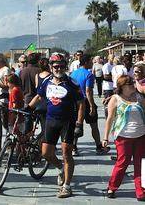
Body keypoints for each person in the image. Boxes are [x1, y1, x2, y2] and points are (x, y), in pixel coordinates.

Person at [26, 53, 85, 199]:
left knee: (66, 154)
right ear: (51, 67)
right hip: (50, 121)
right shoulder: (46, 81)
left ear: (65, 67)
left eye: (61, 66)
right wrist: (27, 108)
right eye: (55, 66)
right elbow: (39, 96)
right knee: (46, 153)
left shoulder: (72, 83)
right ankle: (60, 168)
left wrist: (79, 123)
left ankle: (67, 186)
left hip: (67, 122)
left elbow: (81, 104)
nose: (58, 68)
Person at [102, 75, 145, 200]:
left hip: (141, 135)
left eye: (132, 82)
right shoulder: (115, 99)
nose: (132, 85)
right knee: (122, 162)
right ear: (122, 86)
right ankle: (112, 187)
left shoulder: (139, 97)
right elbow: (109, 119)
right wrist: (105, 138)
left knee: (141, 164)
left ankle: (140, 191)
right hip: (123, 137)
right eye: (130, 83)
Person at [70, 54, 106, 155]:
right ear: (86, 62)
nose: (92, 63)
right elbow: (88, 91)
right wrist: (91, 106)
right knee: (94, 125)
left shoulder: (73, 74)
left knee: (76, 125)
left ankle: (74, 147)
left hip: (75, 103)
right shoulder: (89, 74)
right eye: (90, 61)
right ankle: (98, 147)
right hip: (85, 101)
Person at [20, 53, 41, 133]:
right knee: (42, 120)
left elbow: (20, 85)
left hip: (26, 98)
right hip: (37, 99)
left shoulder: (22, 71)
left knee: (28, 120)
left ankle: (27, 138)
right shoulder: (39, 71)